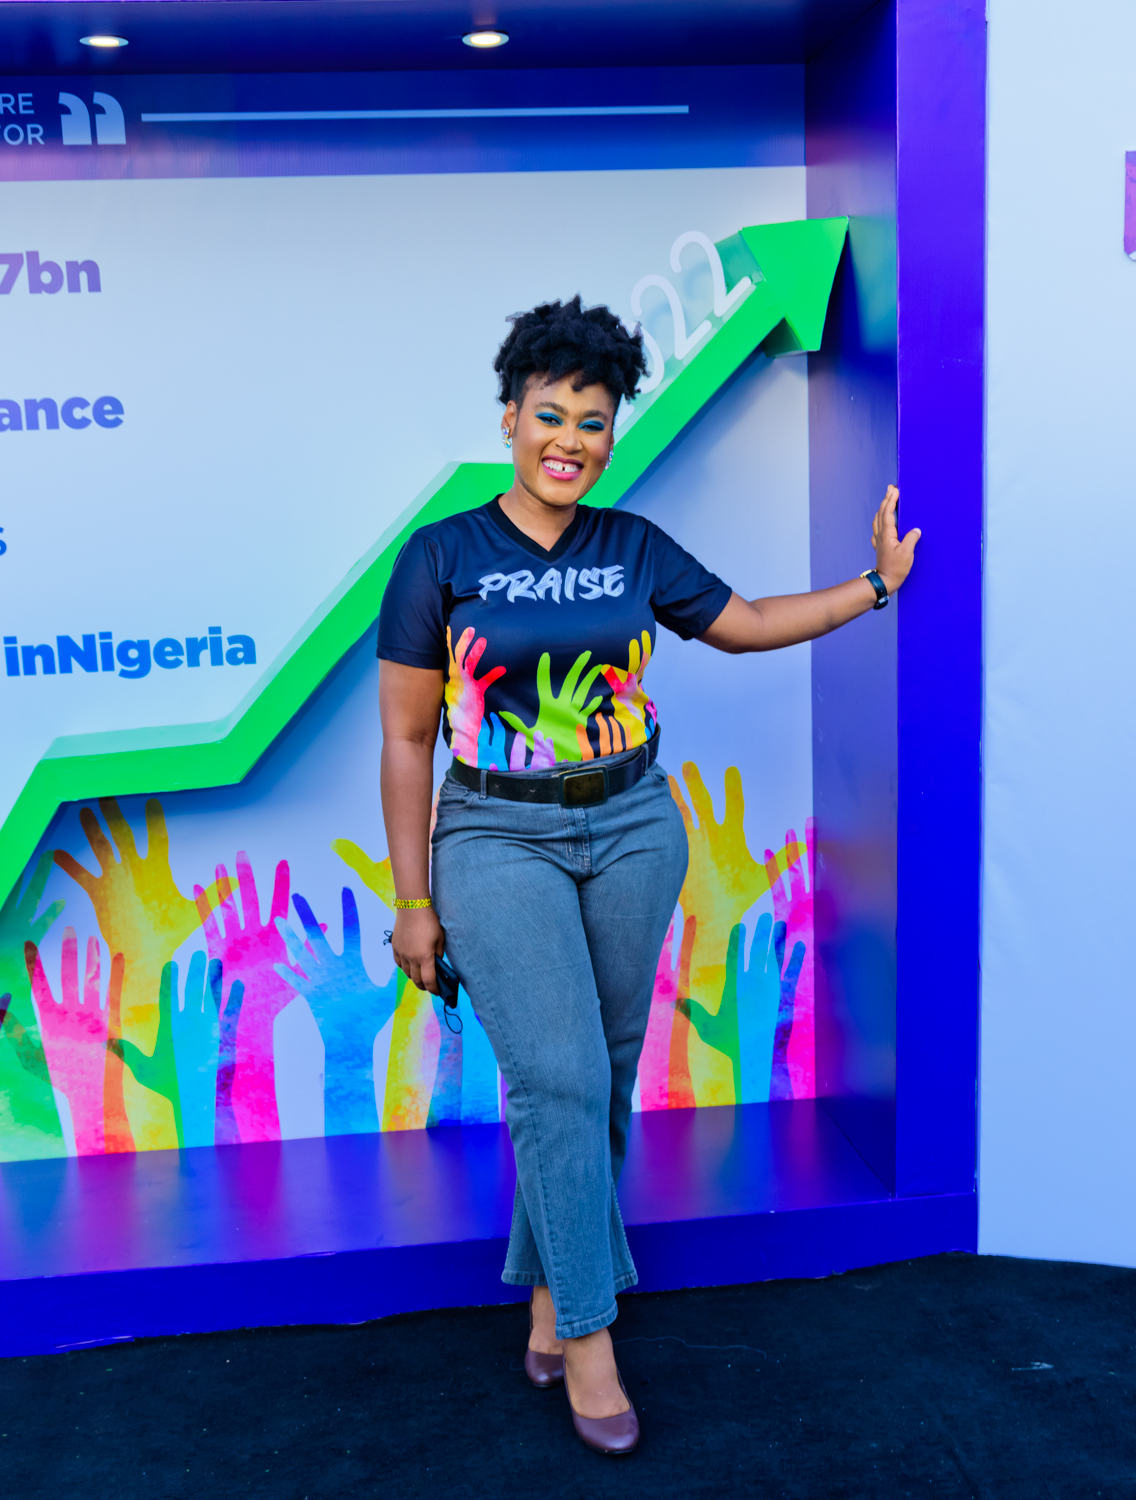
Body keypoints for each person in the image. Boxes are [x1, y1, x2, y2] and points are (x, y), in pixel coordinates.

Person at [376, 295, 920, 1455]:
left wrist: (872, 587)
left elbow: (747, 621)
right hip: (494, 833)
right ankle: (589, 1337)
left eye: (593, 420)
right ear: (509, 418)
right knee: (558, 1077)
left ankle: (546, 1288)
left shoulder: (631, 546)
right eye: (549, 414)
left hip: (632, 825)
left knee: (601, 1079)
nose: (569, 439)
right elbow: (408, 739)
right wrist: (412, 901)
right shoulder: (440, 556)